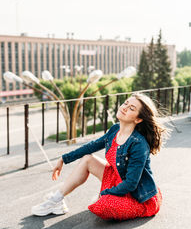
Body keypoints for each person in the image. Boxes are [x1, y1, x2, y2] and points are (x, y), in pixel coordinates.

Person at [32, 93, 167, 220]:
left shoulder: (138, 144)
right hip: (118, 180)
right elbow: (91, 146)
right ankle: (56, 200)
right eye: (125, 103)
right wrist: (64, 158)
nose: (125, 108)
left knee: (103, 205)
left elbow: (131, 184)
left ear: (138, 119)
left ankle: (108, 198)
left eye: (131, 108)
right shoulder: (115, 130)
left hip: (138, 196)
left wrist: (105, 193)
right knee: (87, 159)